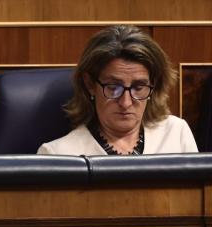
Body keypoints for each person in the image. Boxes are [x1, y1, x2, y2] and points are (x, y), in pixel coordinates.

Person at [37, 25, 198, 155]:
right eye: (114, 88)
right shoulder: (58, 154)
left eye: (138, 88)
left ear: (153, 85)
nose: (126, 102)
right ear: (90, 85)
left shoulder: (176, 134)